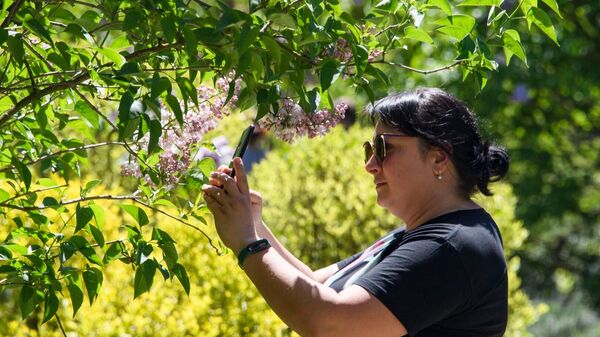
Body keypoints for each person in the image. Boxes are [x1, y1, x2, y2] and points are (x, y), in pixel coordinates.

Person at [201, 88, 510, 337]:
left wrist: (247, 245)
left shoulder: (450, 248)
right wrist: (254, 226)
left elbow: (332, 323)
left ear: (438, 159)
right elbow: (315, 284)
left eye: (384, 148)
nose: (370, 164)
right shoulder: (421, 236)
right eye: (369, 149)